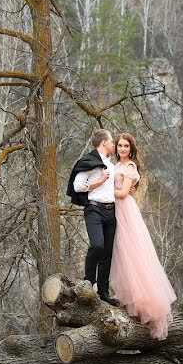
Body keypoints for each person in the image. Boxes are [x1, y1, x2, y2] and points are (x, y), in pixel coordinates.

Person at [110, 132, 176, 340]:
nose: (122, 149)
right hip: (114, 209)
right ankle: (126, 298)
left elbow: (122, 193)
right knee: (120, 255)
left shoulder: (129, 167)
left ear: (131, 149)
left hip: (125, 210)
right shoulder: (115, 165)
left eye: (125, 146)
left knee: (132, 254)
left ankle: (142, 304)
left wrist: (102, 190)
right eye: (119, 145)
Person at [70, 128, 118, 306]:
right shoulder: (89, 162)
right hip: (94, 209)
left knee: (107, 253)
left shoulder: (111, 165)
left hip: (111, 211)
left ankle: (104, 292)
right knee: (97, 245)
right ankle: (88, 281)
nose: (113, 144)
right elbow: (77, 186)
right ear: (104, 142)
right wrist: (99, 180)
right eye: (112, 141)